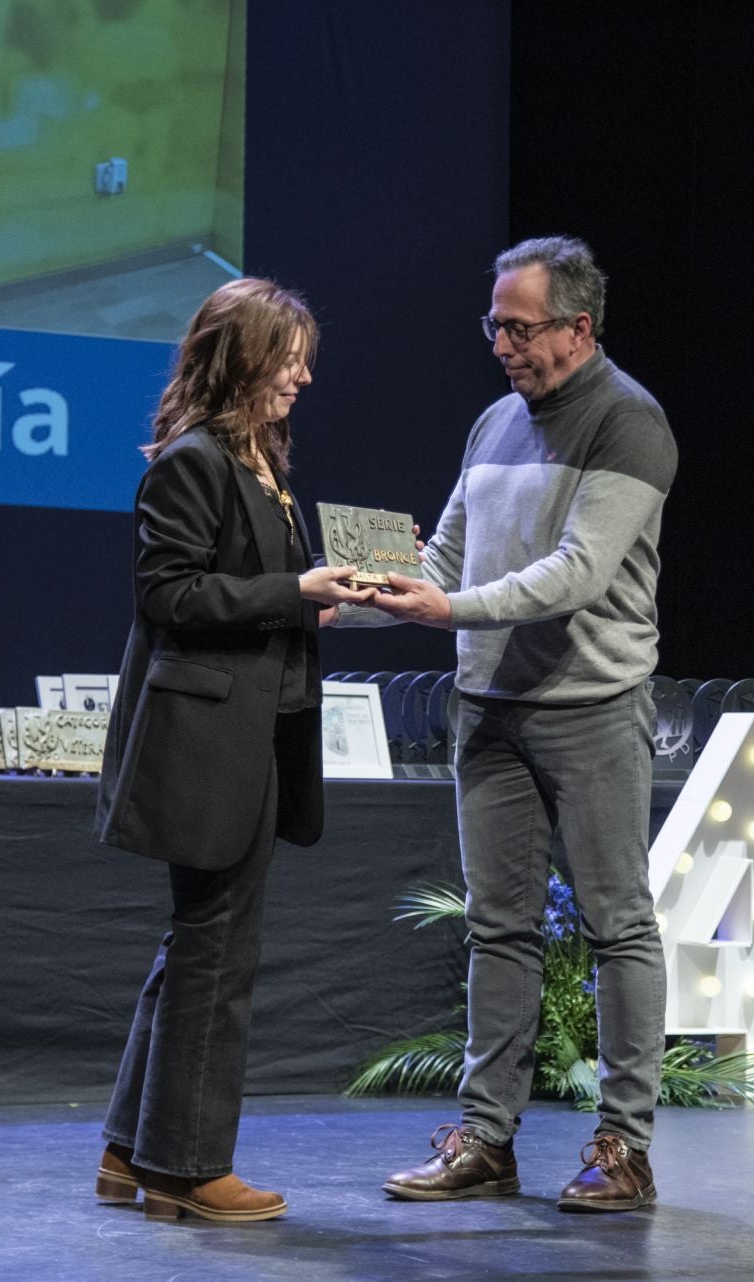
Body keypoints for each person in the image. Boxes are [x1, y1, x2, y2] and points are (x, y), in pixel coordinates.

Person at [367, 236, 677, 1212]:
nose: (502, 342)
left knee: (617, 925)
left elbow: (578, 574)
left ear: (578, 329)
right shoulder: (495, 421)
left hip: (589, 707)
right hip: (489, 710)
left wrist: (446, 611)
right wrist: (376, 589)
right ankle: (486, 1141)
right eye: (494, 324)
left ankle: (624, 1145)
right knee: (498, 929)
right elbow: (450, 550)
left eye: (520, 325)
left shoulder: (630, 422)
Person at [91, 278, 374, 1223]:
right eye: (286, 357)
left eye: (304, 359)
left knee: (198, 947)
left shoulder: (262, 461)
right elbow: (168, 596)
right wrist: (289, 590)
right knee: (217, 957)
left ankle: (133, 1152)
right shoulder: (194, 460)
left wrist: (315, 598)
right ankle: (186, 1168)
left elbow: (255, 589)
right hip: (207, 744)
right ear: (240, 358)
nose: (301, 375)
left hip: (259, 736)